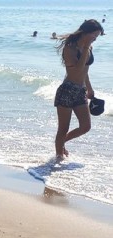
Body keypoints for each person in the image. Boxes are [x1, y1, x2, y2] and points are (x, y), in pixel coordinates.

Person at [54, 19, 104, 159]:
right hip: (67, 91)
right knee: (63, 128)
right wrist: (86, 48)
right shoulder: (70, 48)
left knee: (85, 127)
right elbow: (77, 70)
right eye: (94, 35)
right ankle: (58, 159)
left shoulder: (88, 48)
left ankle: (61, 142)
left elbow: (85, 71)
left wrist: (89, 88)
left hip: (81, 91)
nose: (95, 39)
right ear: (85, 32)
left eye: (97, 36)